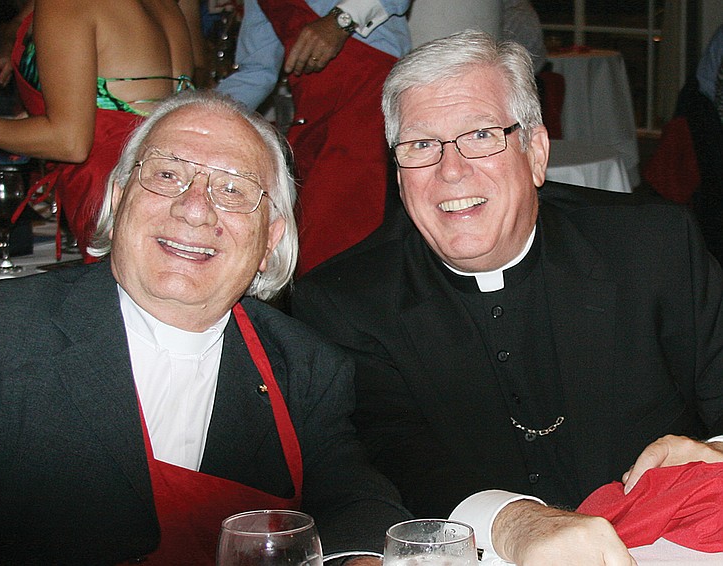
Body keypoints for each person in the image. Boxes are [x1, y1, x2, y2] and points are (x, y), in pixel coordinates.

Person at [0, 90, 409, 565]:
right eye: (167, 175)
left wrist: (361, 557)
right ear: (117, 197)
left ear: (270, 240)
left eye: (233, 189)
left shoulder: (305, 365)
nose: (195, 209)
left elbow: (352, 498)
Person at [291, 30, 723, 564]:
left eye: (481, 135)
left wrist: (714, 450)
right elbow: (387, 456)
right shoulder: (344, 301)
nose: (451, 170)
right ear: (398, 174)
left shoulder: (652, 246)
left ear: (535, 152)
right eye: (421, 145)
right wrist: (511, 520)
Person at [0, 0, 207, 260]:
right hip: (165, 181)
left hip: (109, 189)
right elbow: (133, 106)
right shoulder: (168, 5)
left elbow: (69, 142)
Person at [216, 0, 410, 275]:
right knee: (309, 243)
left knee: (348, 237)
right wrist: (195, 111)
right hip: (314, 117)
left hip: (368, 104)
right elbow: (257, 72)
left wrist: (341, 20)